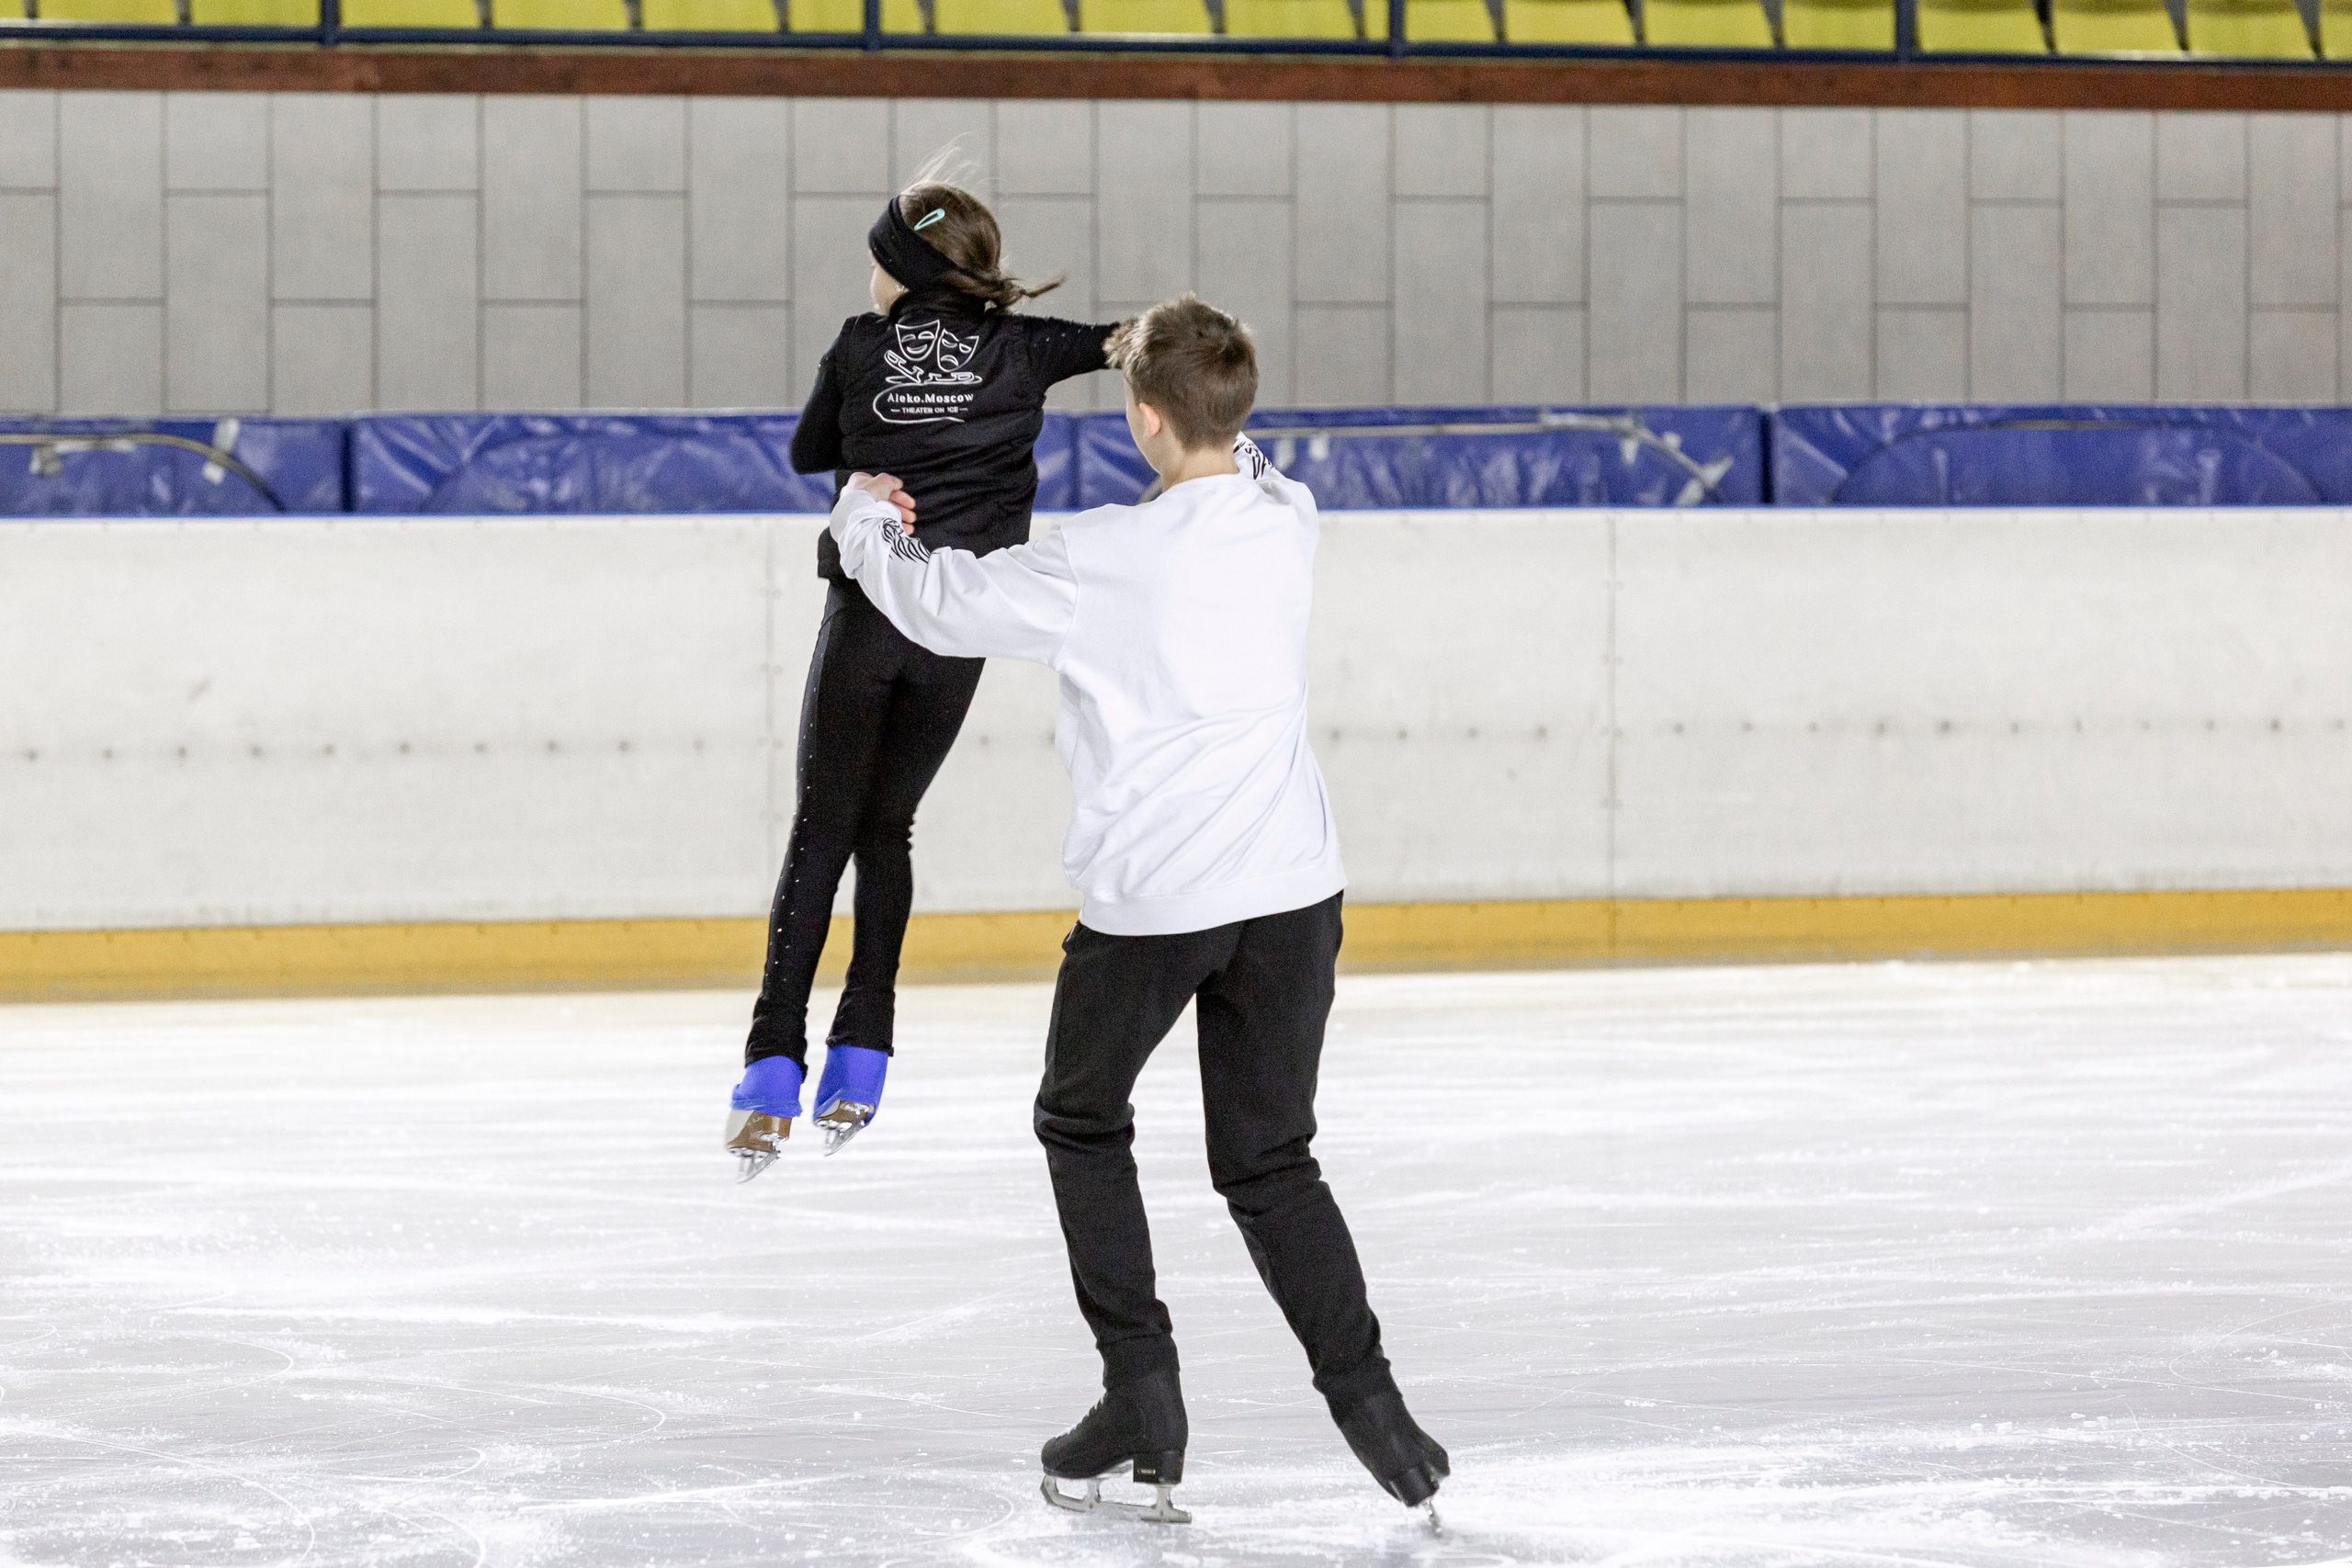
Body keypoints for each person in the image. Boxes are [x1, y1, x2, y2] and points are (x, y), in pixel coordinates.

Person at [820, 296, 1450, 1522]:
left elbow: (937, 601)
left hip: (1156, 900)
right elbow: (1238, 453)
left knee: (1080, 1117)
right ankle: (1377, 1410)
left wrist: (860, 519)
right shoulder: (1289, 517)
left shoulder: (1096, 557)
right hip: (1289, 892)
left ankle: (1142, 1395)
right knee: (1270, 1162)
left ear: (1142, 419)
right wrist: (1185, 358)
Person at [723, 178, 1125, 1177]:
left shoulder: (862, 343)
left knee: (823, 831)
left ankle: (773, 1066)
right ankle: (862, 1060)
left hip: (867, 617)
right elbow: (1141, 340)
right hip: (957, 632)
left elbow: (808, 450)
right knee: (885, 829)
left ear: (897, 269)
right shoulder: (1031, 348)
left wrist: (873, 455)